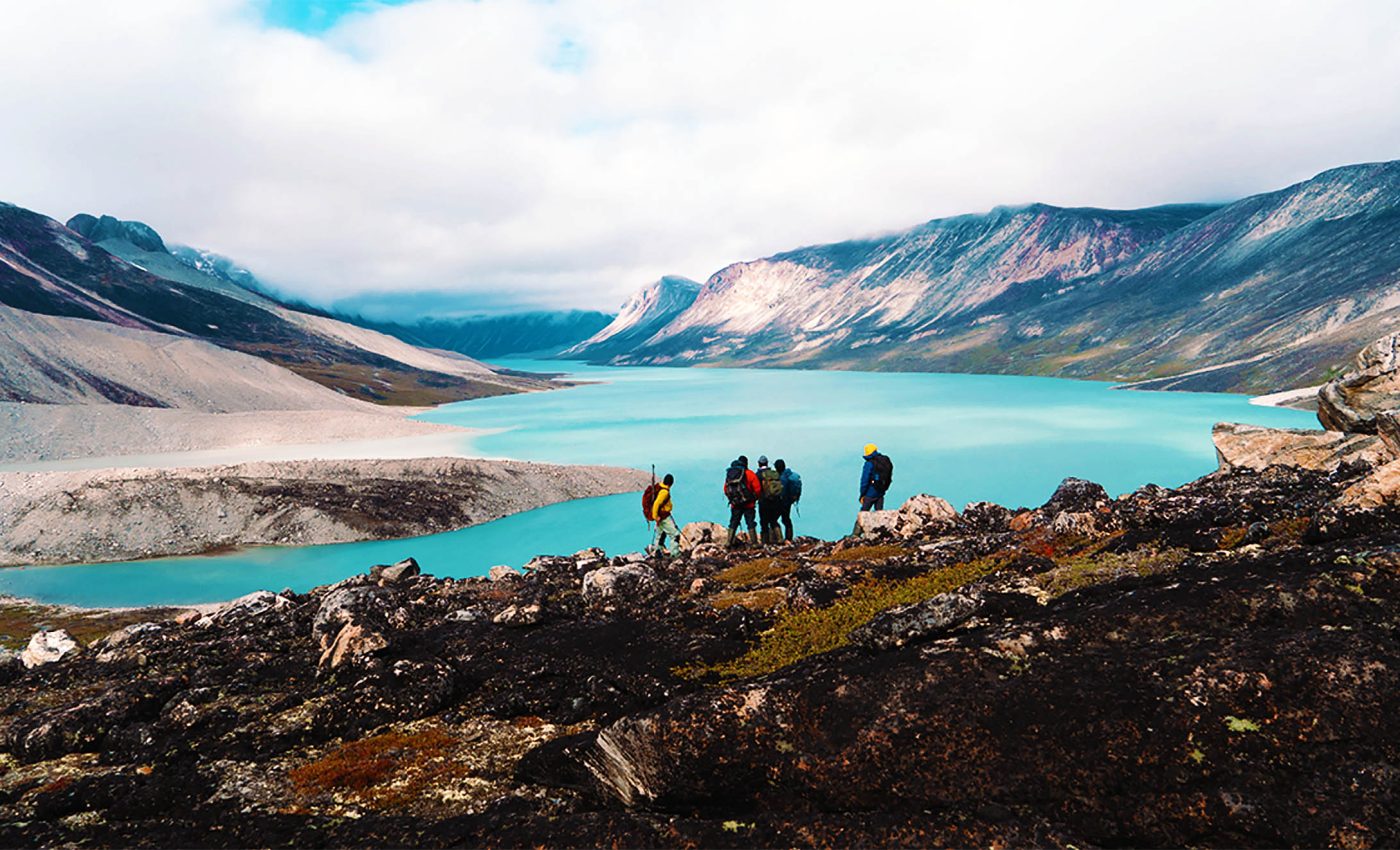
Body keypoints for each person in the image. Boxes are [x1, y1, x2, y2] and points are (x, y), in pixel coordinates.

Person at [723, 455, 761, 547]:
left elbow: (725, 489)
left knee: (733, 522)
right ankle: (754, 543)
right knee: (750, 522)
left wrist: (733, 500)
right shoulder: (750, 474)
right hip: (749, 504)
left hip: (735, 505)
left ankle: (729, 542)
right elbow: (758, 489)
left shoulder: (730, 475)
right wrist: (754, 498)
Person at [649, 473, 680, 556]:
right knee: (675, 535)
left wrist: (656, 517)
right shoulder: (664, 492)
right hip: (664, 517)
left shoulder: (660, 488)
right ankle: (674, 554)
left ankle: (657, 552)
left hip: (660, 517)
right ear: (671, 483)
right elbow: (656, 504)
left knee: (660, 534)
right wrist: (655, 517)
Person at [756, 455, 784, 544]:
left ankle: (765, 542)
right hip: (775, 500)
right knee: (774, 521)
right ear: (767, 463)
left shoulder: (758, 475)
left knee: (764, 522)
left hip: (763, 501)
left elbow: (757, 489)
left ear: (759, 464)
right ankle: (780, 539)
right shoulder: (774, 473)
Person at [859, 443, 893, 511]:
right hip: (881, 492)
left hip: (870, 492)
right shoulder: (884, 461)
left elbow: (864, 480)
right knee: (879, 514)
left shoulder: (869, 464)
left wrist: (862, 495)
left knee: (863, 514)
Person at [775, 458, 801, 542]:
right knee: (786, 519)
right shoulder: (790, 475)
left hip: (781, 502)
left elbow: (781, 492)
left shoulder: (781, 478)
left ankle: (779, 539)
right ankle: (789, 538)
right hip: (789, 501)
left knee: (773, 520)